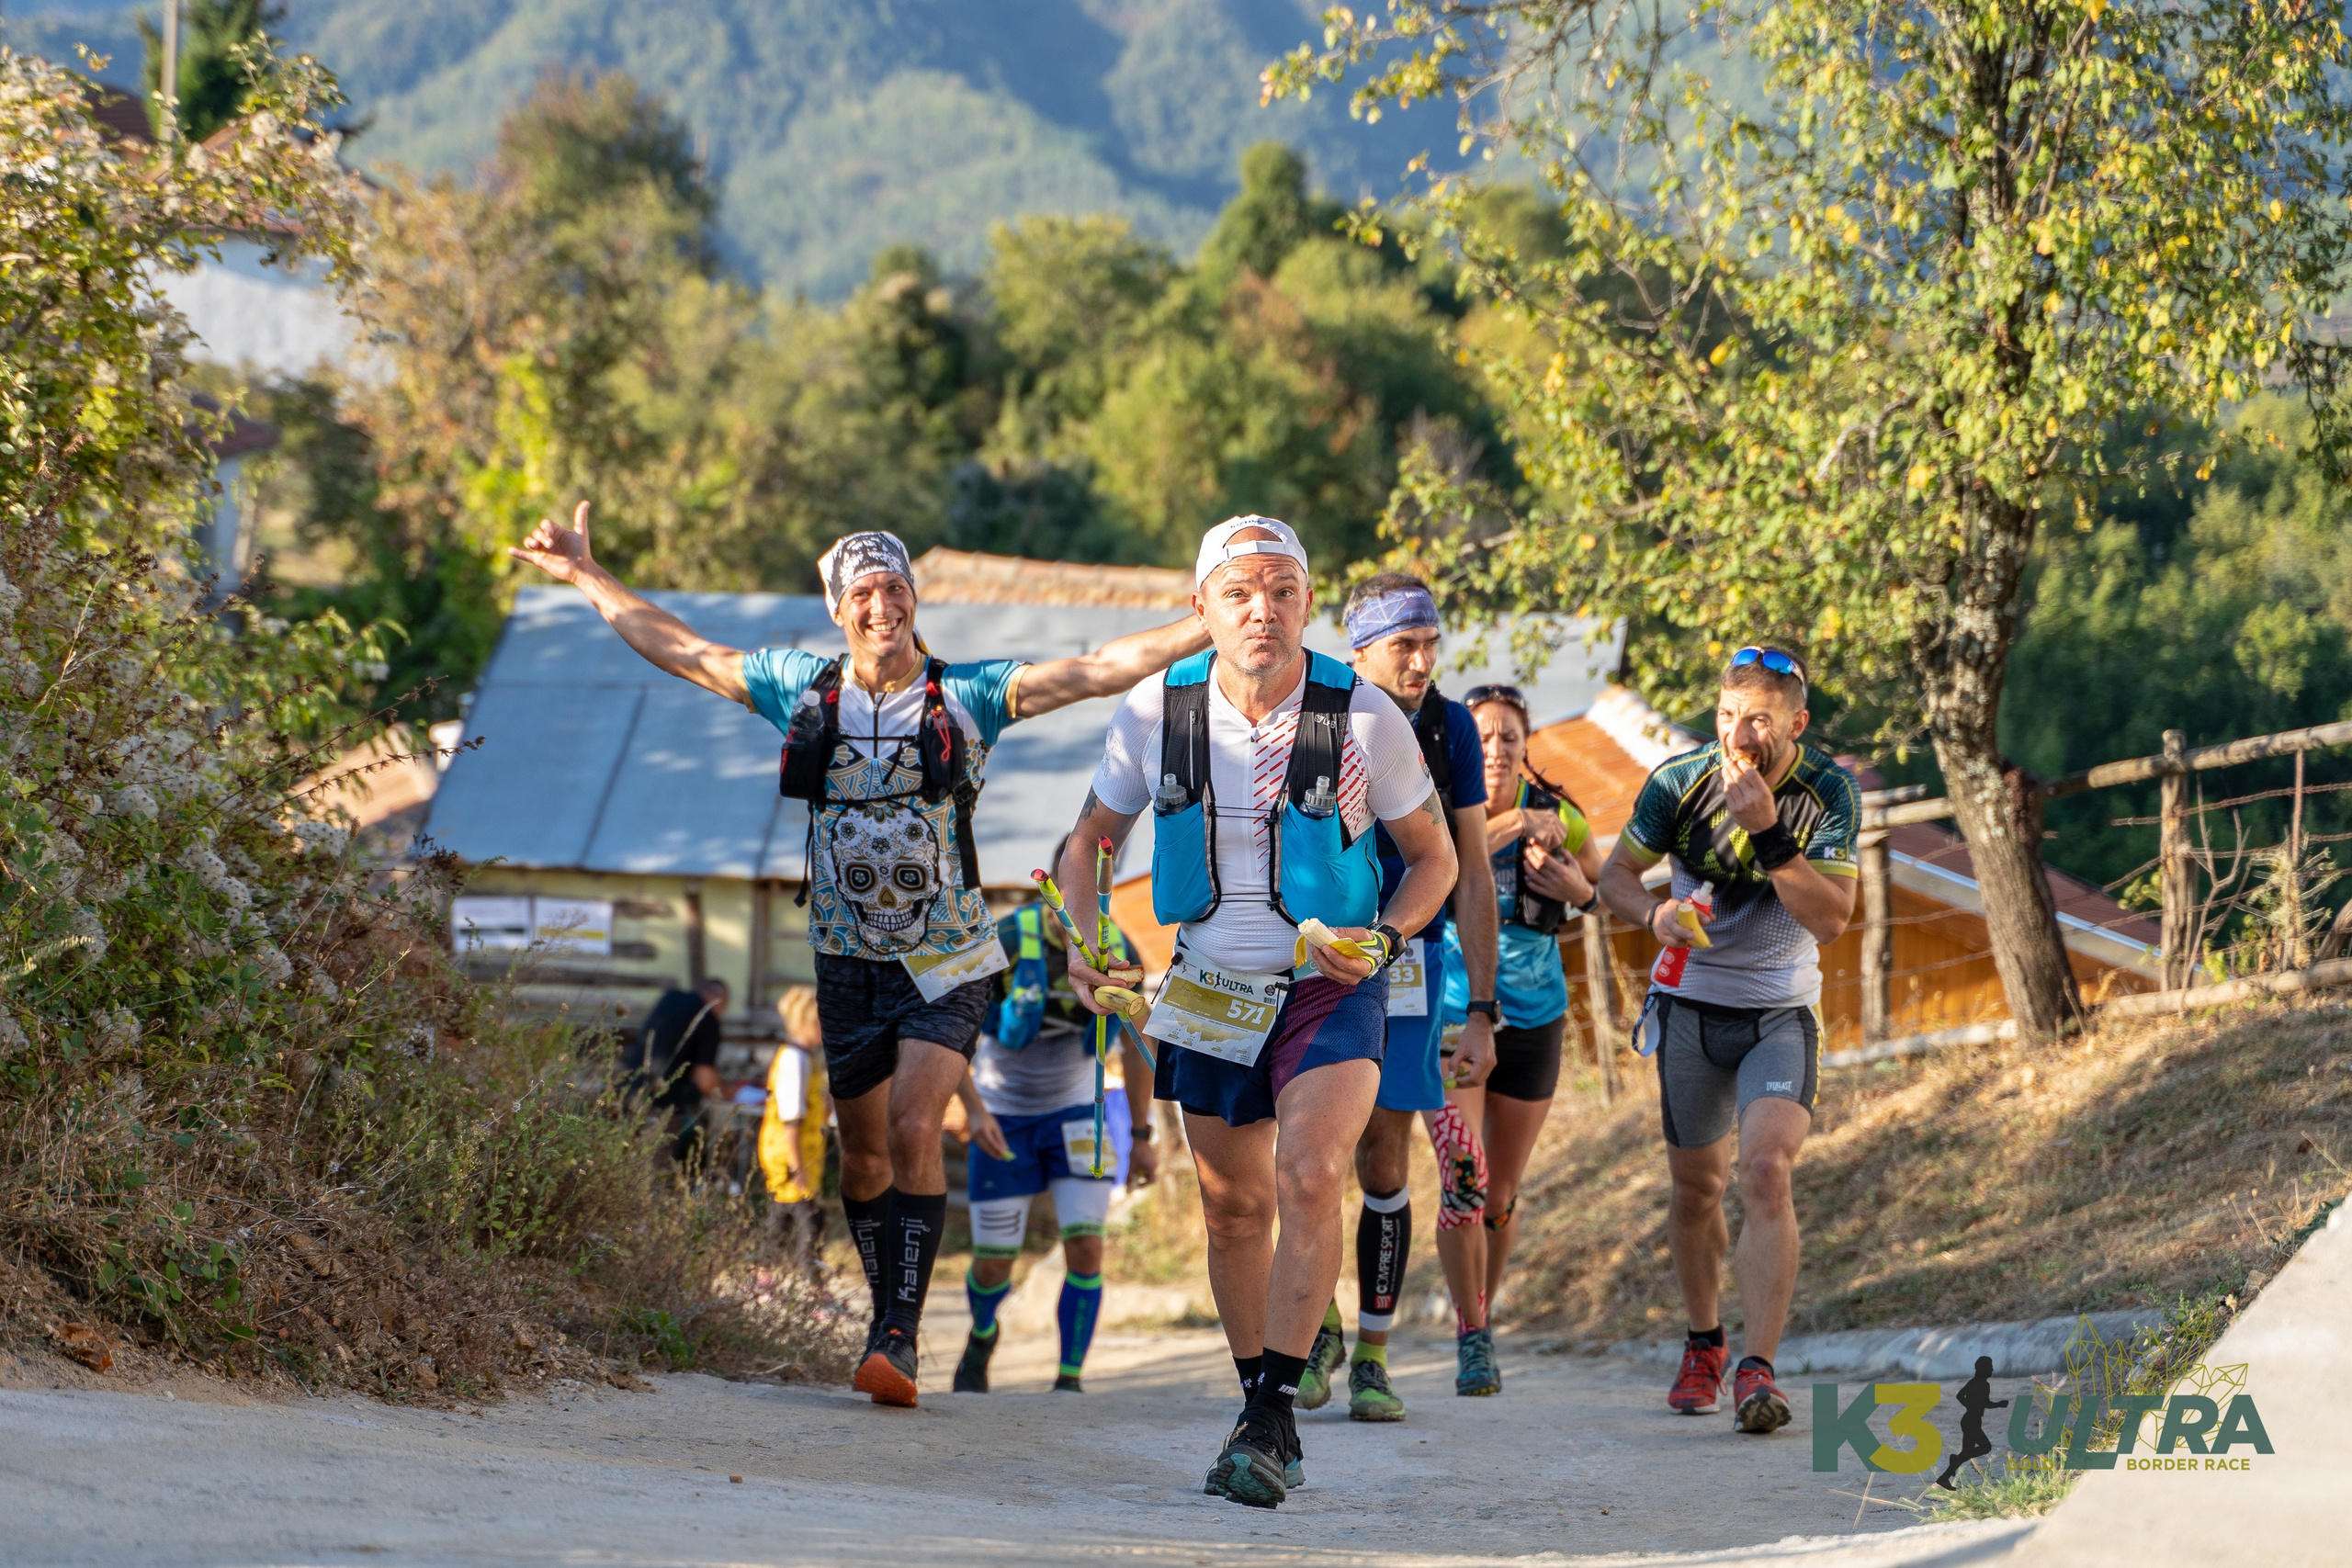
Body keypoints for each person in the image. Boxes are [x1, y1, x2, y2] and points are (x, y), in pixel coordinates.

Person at [510, 505, 1206, 1409]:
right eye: (866, 592)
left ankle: (898, 1338)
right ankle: (891, 1312)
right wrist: (586, 576)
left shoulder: (969, 695)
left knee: (919, 1129)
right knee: (866, 1159)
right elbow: (683, 650)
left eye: (897, 589)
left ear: (915, 601)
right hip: (845, 962)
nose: (885, 606)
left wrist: (1207, 620)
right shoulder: (802, 690)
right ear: (840, 610)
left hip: (951, 959)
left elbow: (1093, 668)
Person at [1063, 516, 1457, 1509]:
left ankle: (1272, 1409)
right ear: (1201, 608)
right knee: (1233, 1208)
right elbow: (1090, 842)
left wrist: (1389, 939)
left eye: (1283, 589)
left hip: (1331, 985)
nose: (1261, 609)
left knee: (1313, 1170)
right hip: (1205, 982)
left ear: (1308, 605)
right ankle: (1260, 1407)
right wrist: (1086, 940)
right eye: (1239, 591)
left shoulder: (1364, 715)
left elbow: (1435, 858)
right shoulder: (1156, 711)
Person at [1595, 644, 1858, 1435]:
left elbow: (1834, 919)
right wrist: (1653, 916)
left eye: (1757, 721)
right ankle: (1705, 1341)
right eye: (1725, 716)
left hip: (1779, 1013)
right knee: (1695, 1190)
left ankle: (1757, 1368)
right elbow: (1613, 875)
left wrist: (1771, 835)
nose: (1736, 735)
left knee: (1766, 1172)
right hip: (1691, 1009)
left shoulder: (1827, 792)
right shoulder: (1678, 782)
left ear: (1795, 724)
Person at [1294, 572, 1499, 1419]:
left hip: (1411, 955)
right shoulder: (1317, 714)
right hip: (1318, 952)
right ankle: (1318, 1327)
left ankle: (1373, 1356)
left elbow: (1474, 869)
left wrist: (1482, 1007)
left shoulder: (1450, 726)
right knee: (1311, 1153)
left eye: (1429, 645)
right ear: (1358, 654)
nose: (1420, 662)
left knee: (1383, 1153)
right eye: (1402, 647)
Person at [1431, 683, 1608, 1360]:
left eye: (1509, 737)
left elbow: (1603, 889)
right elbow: (1444, 864)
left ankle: (1484, 1309)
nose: (1497, 750)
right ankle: (1469, 1332)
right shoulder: (1441, 810)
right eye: (1482, 737)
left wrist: (1577, 891)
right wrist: (1513, 828)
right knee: (1464, 1177)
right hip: (1452, 1013)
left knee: (1500, 1194)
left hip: (1537, 1016)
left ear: (1527, 745)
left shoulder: (1562, 813)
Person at [950, 863, 1159, 1395]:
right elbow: (948, 1027)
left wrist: (1142, 1135)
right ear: (1052, 893)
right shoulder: (1005, 937)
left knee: (1086, 1247)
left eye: (1096, 896)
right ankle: (981, 1333)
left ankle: (1069, 1378)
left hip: (1077, 1111)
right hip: (1003, 1115)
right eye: (1074, 896)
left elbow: (1140, 1043)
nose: (1086, 911)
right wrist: (969, 1108)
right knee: (995, 1261)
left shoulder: (1118, 947)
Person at [758, 985, 831, 1270]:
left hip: (803, 1151)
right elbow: (791, 1118)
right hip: (790, 1153)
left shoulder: (807, 1058)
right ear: (806, 1023)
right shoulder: (794, 1060)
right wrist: (797, 1167)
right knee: (810, 1221)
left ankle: (763, 1276)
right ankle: (812, 1287)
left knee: (781, 1216)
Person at [621, 977, 729, 1166]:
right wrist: (728, 1092)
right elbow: (706, 1080)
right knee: (653, 1169)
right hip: (660, 1102)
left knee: (622, 1163)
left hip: (628, 1090)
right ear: (718, 1000)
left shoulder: (669, 999)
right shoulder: (708, 1018)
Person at [1936, 1356, 2008, 1489]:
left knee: (1966, 1452)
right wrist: (1997, 1404)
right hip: (1971, 1421)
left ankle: (1944, 1478)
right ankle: (1954, 1462)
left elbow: (1966, 1398)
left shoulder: (1976, 1382)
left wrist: (1972, 1406)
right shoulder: (1982, 1384)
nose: (1992, 1370)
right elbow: (1978, 1401)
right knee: (1986, 1447)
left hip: (1971, 1419)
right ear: (1982, 1369)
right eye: (1989, 1367)